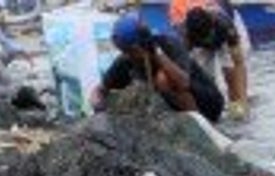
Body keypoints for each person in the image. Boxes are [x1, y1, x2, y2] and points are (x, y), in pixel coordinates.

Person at [93, 13, 225, 123]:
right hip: (174, 114)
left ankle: (202, 128)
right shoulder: (126, 60)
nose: (127, 54)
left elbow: (184, 83)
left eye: (129, 50)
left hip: (208, 103)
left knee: (163, 79)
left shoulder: (169, 44)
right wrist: (98, 105)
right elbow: (100, 90)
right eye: (123, 50)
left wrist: (155, 54)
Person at [173, 0, 251, 119]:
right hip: (197, 42)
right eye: (204, 39)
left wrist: (242, 101)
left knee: (231, 76)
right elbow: (185, 71)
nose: (207, 42)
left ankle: (237, 111)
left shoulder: (226, 25)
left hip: (224, 33)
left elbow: (238, 64)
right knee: (206, 82)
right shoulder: (184, 35)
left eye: (207, 37)